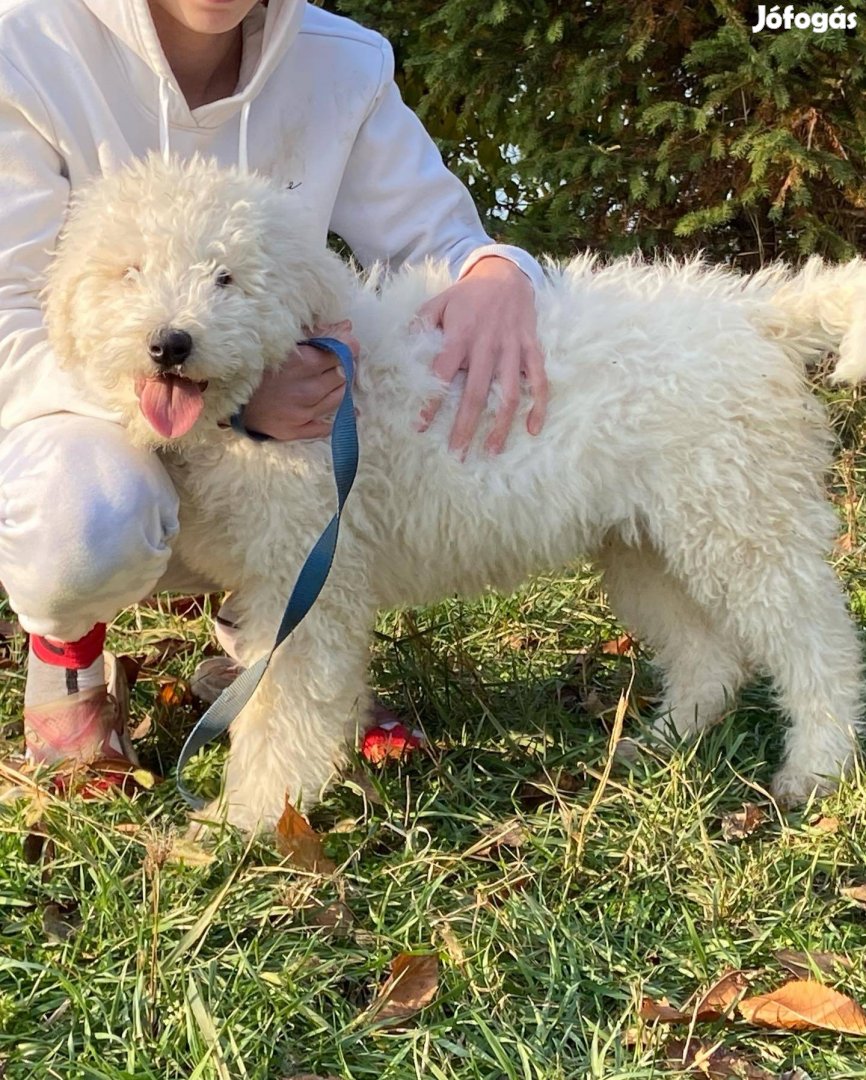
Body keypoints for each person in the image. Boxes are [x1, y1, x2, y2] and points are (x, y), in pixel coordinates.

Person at [0, 0, 548, 767]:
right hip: (77, 411)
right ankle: (69, 654)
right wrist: (227, 405)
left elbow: (441, 238)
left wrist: (496, 269)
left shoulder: (343, 61)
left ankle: (271, 638)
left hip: (265, 426)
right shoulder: (23, 43)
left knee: (339, 411)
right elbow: (7, 306)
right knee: (84, 521)